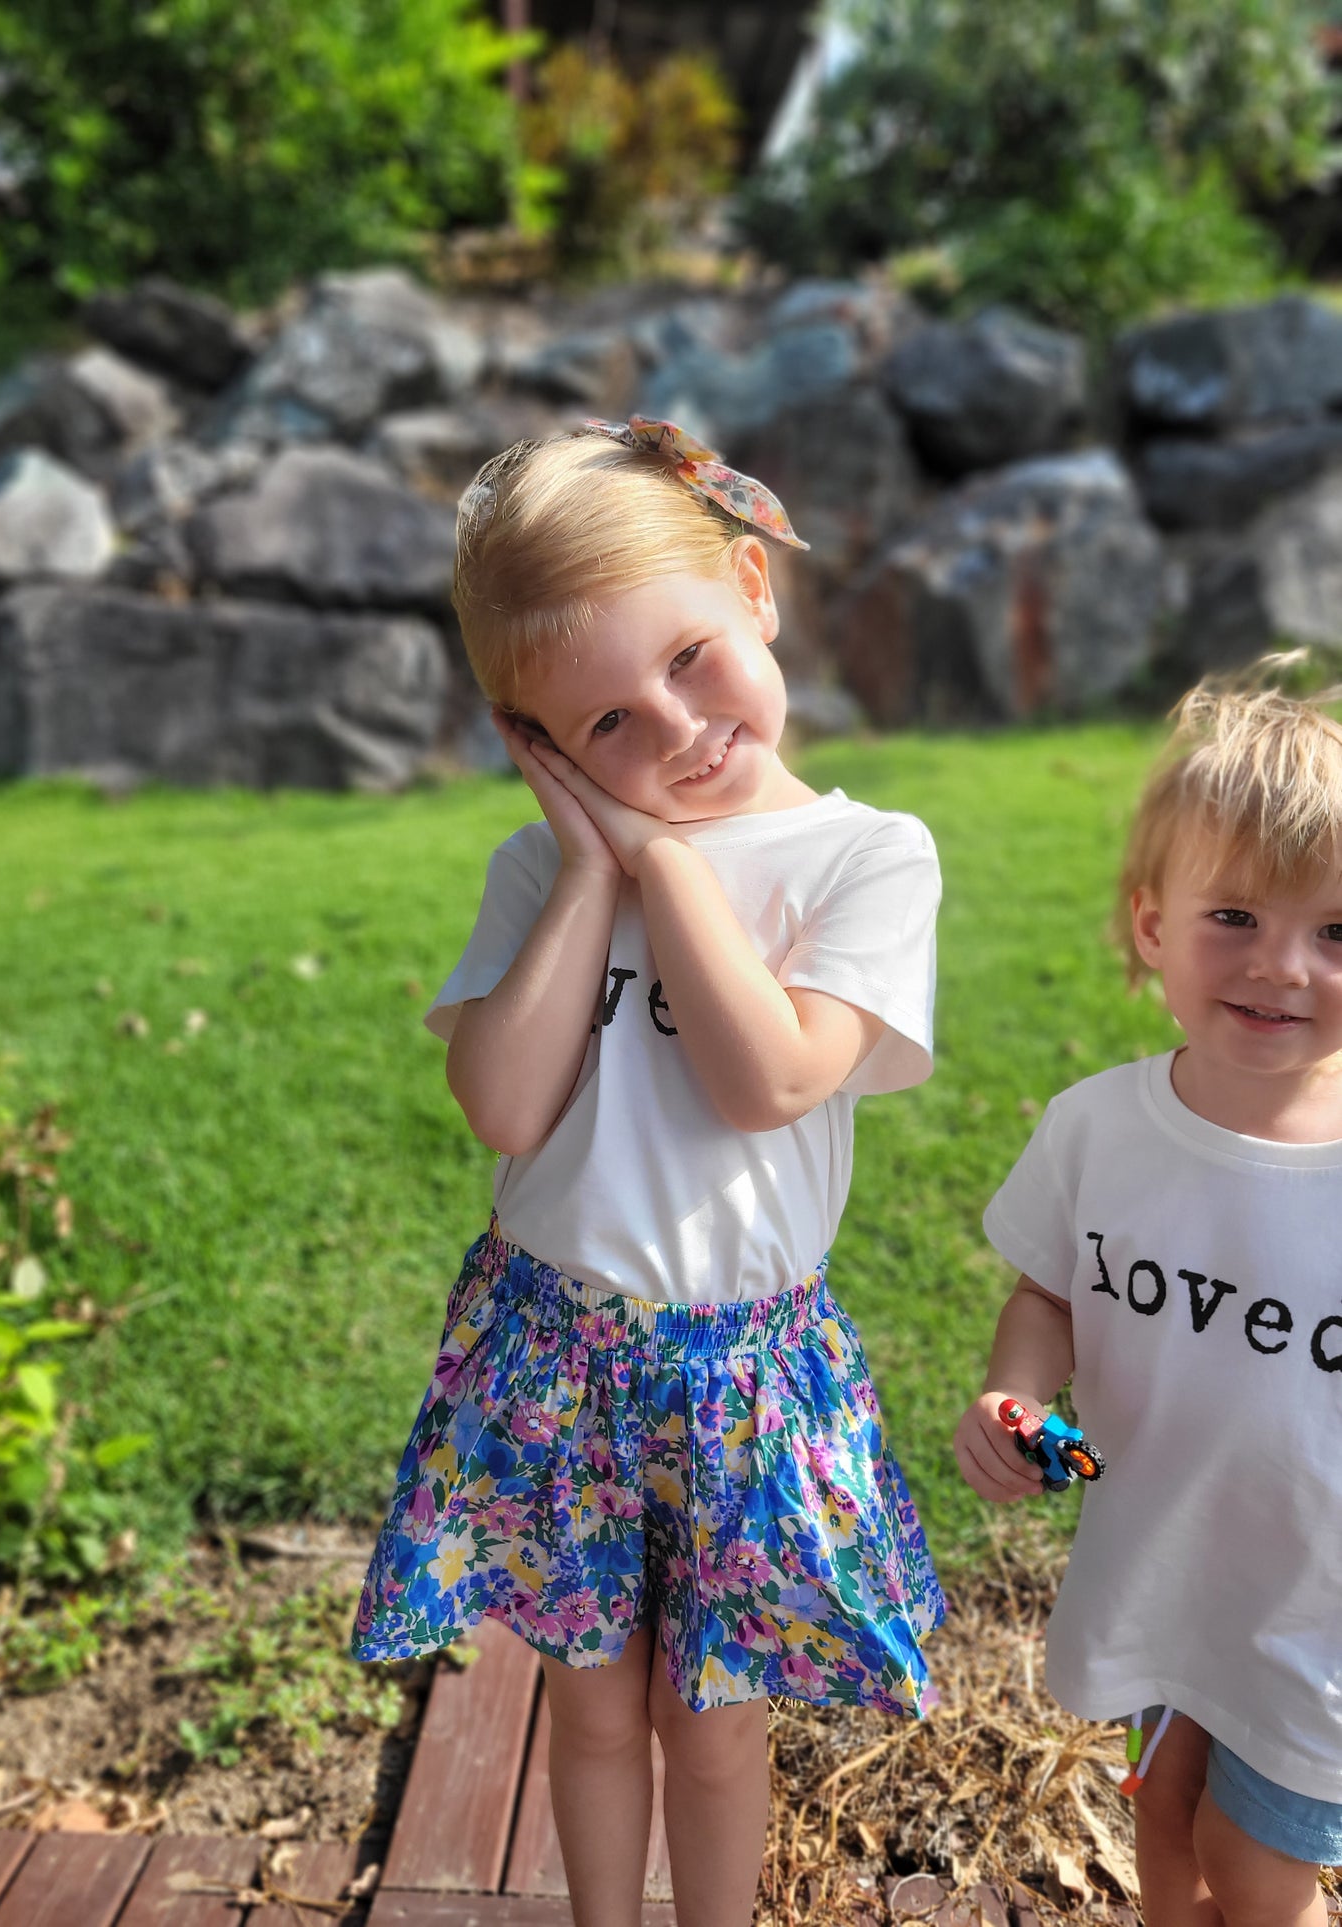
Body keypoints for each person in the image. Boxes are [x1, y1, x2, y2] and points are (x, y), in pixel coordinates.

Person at [351, 417, 945, 1927]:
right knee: (592, 1702)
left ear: (754, 586)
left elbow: (771, 1080)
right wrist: (589, 870)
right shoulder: (540, 872)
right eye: (603, 723)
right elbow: (499, 1101)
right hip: (554, 1346)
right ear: (540, 748)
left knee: (716, 1716)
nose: (672, 730)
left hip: (745, 1366)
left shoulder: (861, 856)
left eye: (688, 658)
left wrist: (666, 863)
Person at [953, 670, 1342, 1927]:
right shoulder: (1097, 1129)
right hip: (1162, 1570)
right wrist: (1016, 1388)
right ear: (1147, 924)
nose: (1281, 965)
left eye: (1337, 931)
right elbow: (1046, 1292)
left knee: (1255, 1872)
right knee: (1160, 1818)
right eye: (1233, 913)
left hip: (1312, 1617)